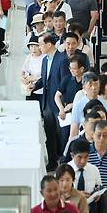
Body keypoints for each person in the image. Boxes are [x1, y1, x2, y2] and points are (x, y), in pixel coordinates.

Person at [34, 33, 71, 170]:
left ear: (49, 45)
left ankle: (63, 161)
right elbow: (44, 80)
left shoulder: (62, 60)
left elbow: (64, 82)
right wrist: (34, 86)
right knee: (49, 134)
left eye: (41, 44)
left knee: (61, 134)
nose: (39, 47)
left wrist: (63, 104)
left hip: (58, 103)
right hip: (47, 102)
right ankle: (51, 160)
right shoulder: (45, 60)